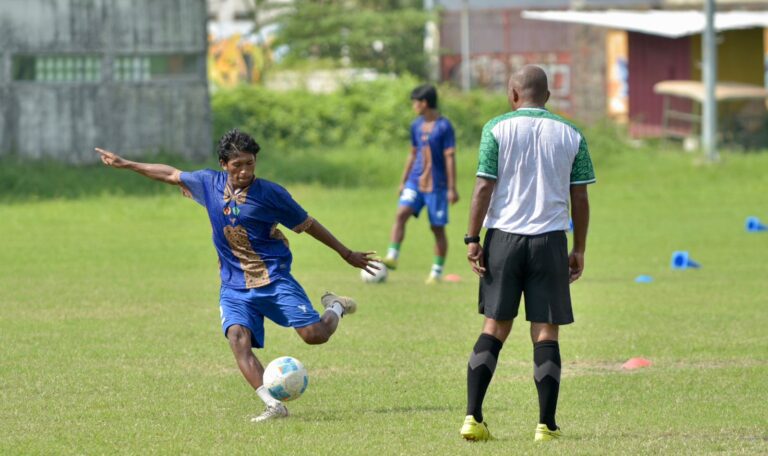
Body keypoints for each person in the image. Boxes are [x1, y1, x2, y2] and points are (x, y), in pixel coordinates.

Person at [95, 129, 377, 423]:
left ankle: (335, 306)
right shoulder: (208, 183)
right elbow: (171, 174)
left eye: (250, 163)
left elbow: (308, 224)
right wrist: (126, 163)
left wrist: (346, 253)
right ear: (223, 164)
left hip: (273, 278)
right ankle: (273, 405)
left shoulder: (272, 194)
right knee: (237, 338)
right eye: (237, 165)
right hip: (233, 285)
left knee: (314, 336)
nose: (244, 171)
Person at [459, 65, 595, 442]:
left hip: (502, 239)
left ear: (512, 94)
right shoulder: (572, 134)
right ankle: (545, 427)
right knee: (545, 331)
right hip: (550, 241)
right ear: (547, 97)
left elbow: (483, 187)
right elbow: (580, 196)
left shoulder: (495, 129)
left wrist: (473, 237)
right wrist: (578, 247)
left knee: (494, 327)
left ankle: (473, 417)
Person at [382, 84, 458, 284]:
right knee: (401, 213)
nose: (413, 106)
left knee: (437, 229)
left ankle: (437, 271)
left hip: (437, 186)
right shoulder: (415, 125)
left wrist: (452, 188)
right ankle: (392, 255)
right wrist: (403, 180)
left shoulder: (444, 127)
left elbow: (449, 158)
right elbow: (413, 153)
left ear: (424, 103)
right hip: (415, 182)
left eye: (415, 102)